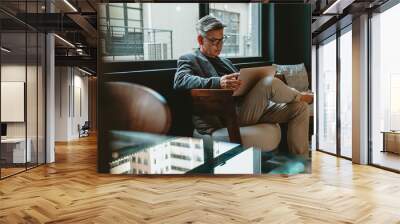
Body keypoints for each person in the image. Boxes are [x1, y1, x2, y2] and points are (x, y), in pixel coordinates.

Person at [173, 15, 313, 156]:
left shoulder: (225, 62)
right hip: (227, 114)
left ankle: (301, 161)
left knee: (300, 108)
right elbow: (180, 81)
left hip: (248, 108)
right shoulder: (189, 58)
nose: (219, 46)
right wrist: (218, 82)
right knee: (269, 83)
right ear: (200, 39)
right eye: (214, 41)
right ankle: (300, 95)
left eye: (222, 40)